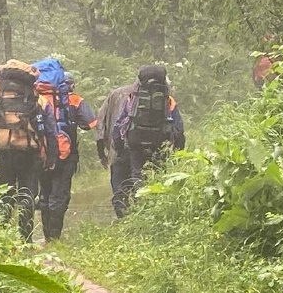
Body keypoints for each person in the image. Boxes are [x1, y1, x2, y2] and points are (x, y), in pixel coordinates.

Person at [0, 60, 58, 242]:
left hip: (4, 151)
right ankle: (25, 240)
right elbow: (50, 130)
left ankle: (0, 236)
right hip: (29, 153)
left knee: (5, 193)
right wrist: (51, 156)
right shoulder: (37, 98)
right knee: (27, 193)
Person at [37, 69, 97, 241]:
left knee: (45, 193)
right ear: (70, 85)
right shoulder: (75, 100)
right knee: (60, 195)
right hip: (66, 154)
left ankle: (47, 235)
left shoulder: (38, 99)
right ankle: (54, 237)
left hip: (42, 153)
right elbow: (89, 123)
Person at [113, 65, 185, 201]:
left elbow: (119, 125)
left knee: (137, 173)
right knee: (160, 172)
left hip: (136, 142)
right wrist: (178, 152)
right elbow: (179, 129)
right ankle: (158, 202)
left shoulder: (132, 99)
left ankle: (141, 202)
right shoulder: (168, 100)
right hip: (161, 142)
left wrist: (119, 148)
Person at [96, 83, 135, 218]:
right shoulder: (159, 95)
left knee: (119, 187)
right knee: (140, 183)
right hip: (144, 152)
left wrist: (102, 154)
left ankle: (122, 216)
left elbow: (100, 124)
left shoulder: (115, 94)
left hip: (117, 150)